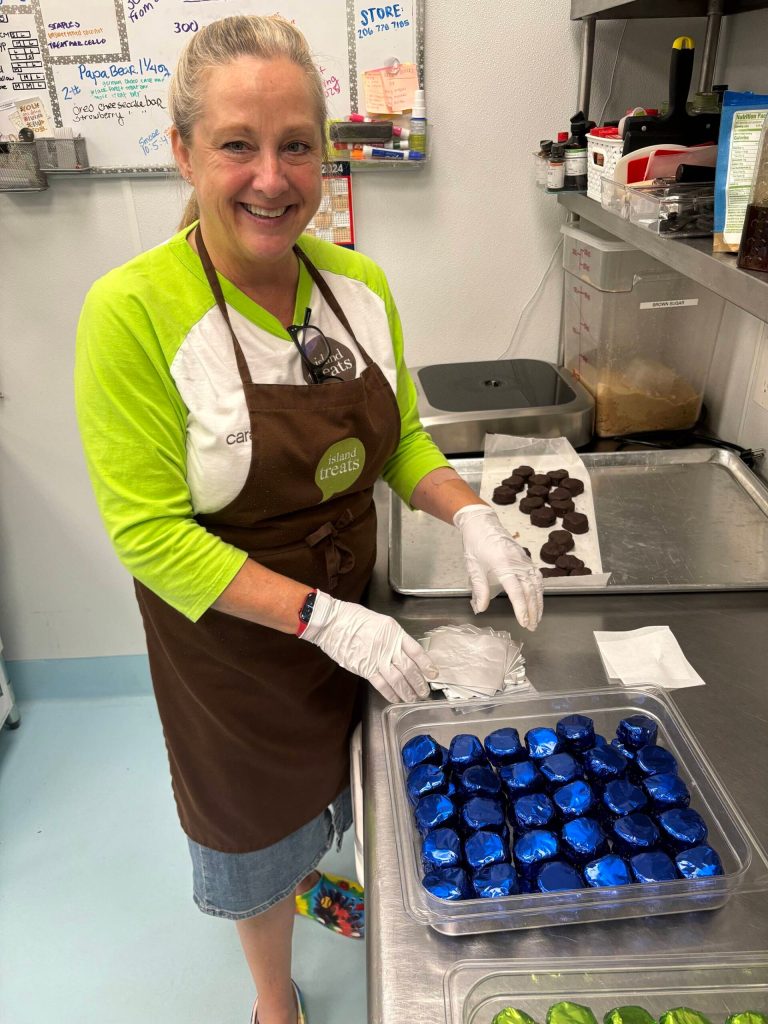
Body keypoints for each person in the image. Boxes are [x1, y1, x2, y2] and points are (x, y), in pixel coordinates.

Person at [74, 15, 543, 1024]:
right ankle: (272, 998)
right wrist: (320, 619)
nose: (271, 178)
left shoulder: (357, 286)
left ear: (324, 152)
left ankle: (321, 878)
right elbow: (150, 536)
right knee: (252, 823)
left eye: (295, 145)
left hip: (358, 606)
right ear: (183, 152)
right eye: (236, 145)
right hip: (233, 647)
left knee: (355, 780)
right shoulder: (132, 312)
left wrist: (471, 514)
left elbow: (401, 440)